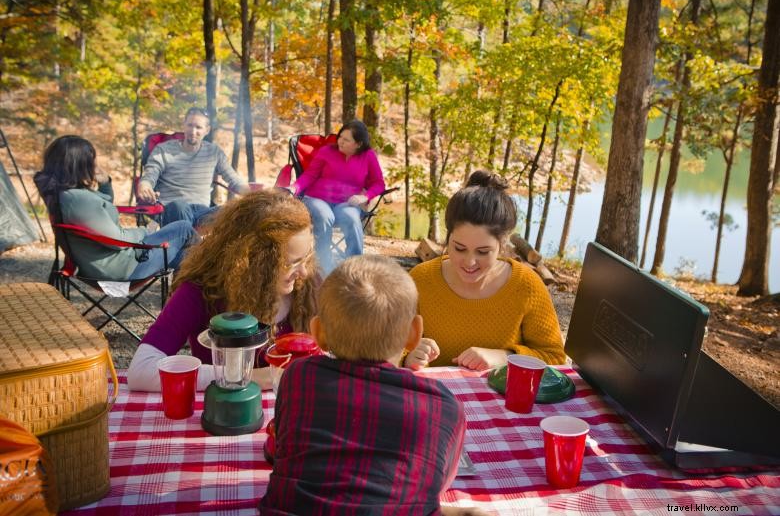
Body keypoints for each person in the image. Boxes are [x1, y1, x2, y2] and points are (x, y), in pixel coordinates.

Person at [259, 255, 476, 516]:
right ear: (415, 334)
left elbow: (284, 448)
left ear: (318, 333)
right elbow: (435, 486)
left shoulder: (298, 377)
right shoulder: (444, 409)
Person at [127, 189, 318, 392]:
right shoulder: (202, 291)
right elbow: (140, 371)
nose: (304, 272)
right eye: (291, 263)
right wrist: (243, 376)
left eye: (306, 258)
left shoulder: (307, 286)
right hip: (220, 417)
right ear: (254, 261)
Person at [404, 170, 566, 372]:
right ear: (448, 238)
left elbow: (555, 357)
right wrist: (408, 357)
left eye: (483, 252)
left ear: (502, 246)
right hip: (432, 399)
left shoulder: (527, 285)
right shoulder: (420, 280)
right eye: (459, 248)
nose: (470, 262)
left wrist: (504, 356)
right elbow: (387, 349)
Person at [34, 135, 194, 281]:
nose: (94, 165)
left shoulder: (67, 194)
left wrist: (105, 183)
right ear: (79, 164)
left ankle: (183, 300)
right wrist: (145, 231)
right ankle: (202, 285)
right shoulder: (78, 199)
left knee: (188, 257)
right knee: (183, 228)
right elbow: (118, 241)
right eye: (91, 160)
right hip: (122, 267)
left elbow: (103, 205)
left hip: (112, 262)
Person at [291, 119, 386, 275]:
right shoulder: (327, 151)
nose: (340, 141)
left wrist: (365, 196)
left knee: (352, 218)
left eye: (346, 140)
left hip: (346, 202)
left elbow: (379, 183)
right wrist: (294, 188)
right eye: (340, 137)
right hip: (317, 198)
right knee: (324, 215)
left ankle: (354, 267)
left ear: (359, 144)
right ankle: (323, 268)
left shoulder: (368, 156)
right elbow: (309, 175)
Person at [136, 107, 252, 227]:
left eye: (198, 127)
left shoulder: (213, 152)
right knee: (180, 206)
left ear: (207, 130)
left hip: (203, 212)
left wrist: (254, 196)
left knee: (231, 212)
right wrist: (144, 185)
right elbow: (150, 174)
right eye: (190, 125)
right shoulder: (163, 150)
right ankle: (194, 243)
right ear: (184, 126)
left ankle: (193, 241)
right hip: (172, 210)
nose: (193, 131)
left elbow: (233, 179)